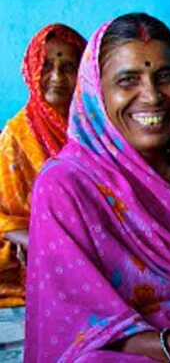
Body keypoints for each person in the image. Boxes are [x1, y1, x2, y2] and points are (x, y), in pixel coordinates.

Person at [25, 13, 170, 362]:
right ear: (96, 91)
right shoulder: (64, 184)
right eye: (128, 80)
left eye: (165, 77)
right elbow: (75, 329)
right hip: (129, 350)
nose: (151, 96)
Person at [0, 24, 85, 309]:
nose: (57, 77)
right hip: (26, 248)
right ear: (33, 68)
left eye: (68, 66)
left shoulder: (92, 130)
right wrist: (35, 239)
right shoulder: (16, 137)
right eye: (47, 65)